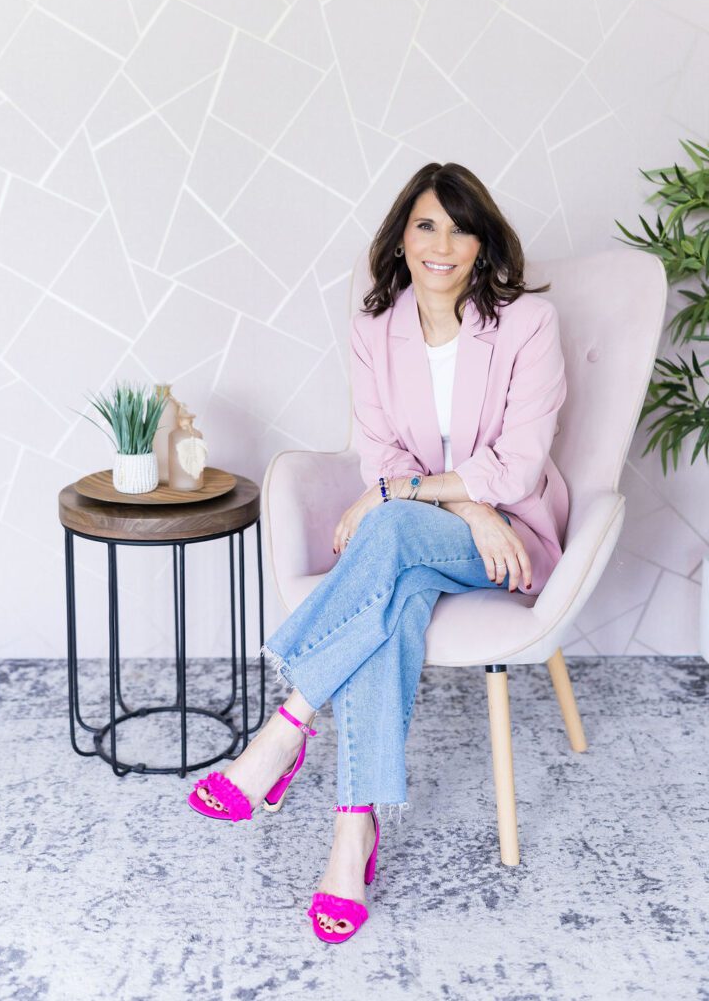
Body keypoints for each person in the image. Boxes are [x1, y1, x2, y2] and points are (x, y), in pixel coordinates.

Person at [186, 162, 570, 944]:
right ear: (401, 237)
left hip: (509, 538)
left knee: (387, 527)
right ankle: (351, 833)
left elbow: (518, 467)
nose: (442, 245)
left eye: (461, 229)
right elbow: (381, 453)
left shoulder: (528, 323)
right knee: (393, 599)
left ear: (483, 245)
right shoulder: (375, 330)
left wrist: (416, 498)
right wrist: (444, 500)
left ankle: (288, 724)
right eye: (426, 225)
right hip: (435, 533)